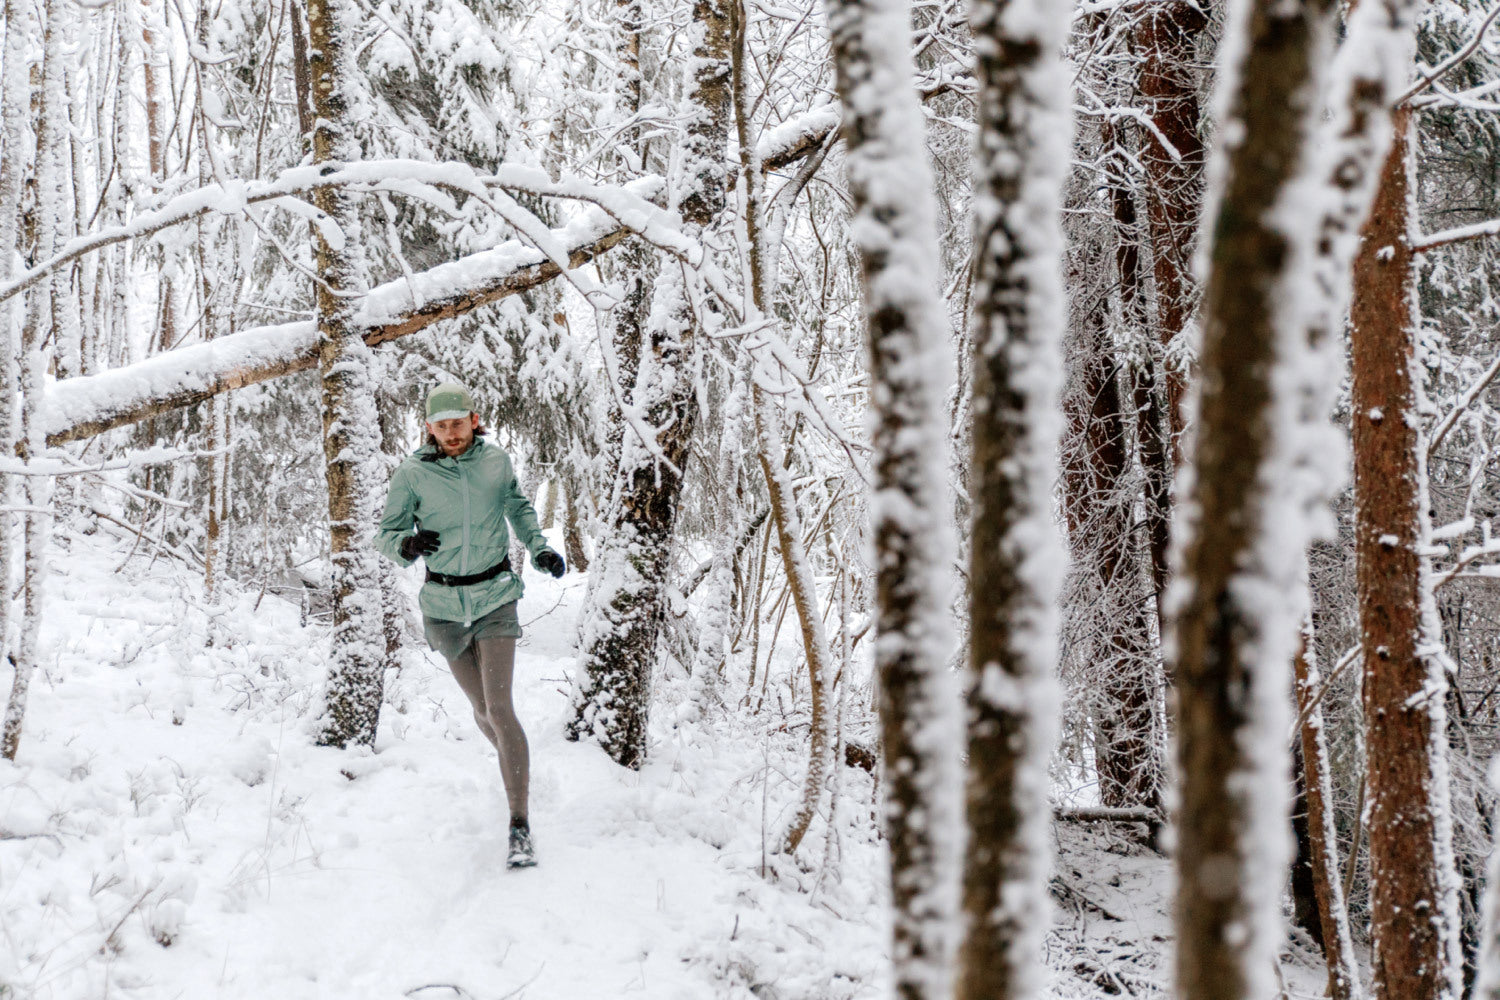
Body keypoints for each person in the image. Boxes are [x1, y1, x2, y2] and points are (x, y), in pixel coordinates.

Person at [377, 381, 566, 870]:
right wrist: (407, 546)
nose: (451, 433)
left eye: (457, 423)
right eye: (441, 426)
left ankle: (519, 822)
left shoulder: (495, 462)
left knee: (499, 706)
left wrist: (539, 547)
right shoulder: (412, 473)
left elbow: (518, 507)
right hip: (442, 605)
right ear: (429, 428)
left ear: (473, 419)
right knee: (482, 709)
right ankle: (515, 764)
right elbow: (387, 533)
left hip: (494, 596)